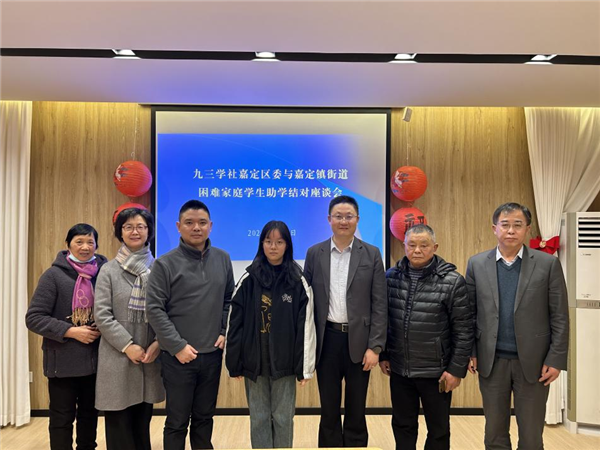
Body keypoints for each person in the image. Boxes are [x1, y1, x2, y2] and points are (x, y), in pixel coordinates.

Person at [466, 202, 569, 450]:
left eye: (517, 225)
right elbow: (468, 314)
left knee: (531, 437)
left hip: (534, 364)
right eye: (505, 225)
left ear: (527, 229)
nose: (511, 230)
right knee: (494, 434)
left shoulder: (547, 264)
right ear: (494, 228)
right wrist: (470, 351)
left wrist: (556, 359)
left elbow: (560, 316)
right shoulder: (477, 264)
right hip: (491, 362)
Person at [146, 200, 234, 450]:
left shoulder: (223, 258)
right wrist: (178, 347)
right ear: (178, 226)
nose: (196, 228)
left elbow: (229, 300)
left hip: (212, 354)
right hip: (178, 358)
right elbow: (154, 309)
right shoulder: (164, 263)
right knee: (177, 422)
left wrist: (223, 331)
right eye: (189, 223)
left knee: (204, 418)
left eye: (202, 223)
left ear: (210, 226)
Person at [380, 224, 473, 450]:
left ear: (435, 247)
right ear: (404, 246)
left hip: (436, 372)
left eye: (424, 245)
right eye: (412, 245)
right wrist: (384, 354)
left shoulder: (452, 281)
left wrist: (456, 370)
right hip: (400, 369)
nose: (417, 250)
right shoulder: (391, 277)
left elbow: (464, 329)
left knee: (438, 430)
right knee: (402, 425)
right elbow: (384, 321)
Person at [304, 195, 387, 447]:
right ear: (329, 219)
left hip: (360, 342)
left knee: (356, 407)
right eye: (338, 216)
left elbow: (380, 304)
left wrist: (375, 347)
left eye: (348, 216)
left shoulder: (371, 253)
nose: (343, 221)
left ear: (357, 219)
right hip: (326, 340)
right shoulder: (314, 253)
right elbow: (306, 301)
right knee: (328, 407)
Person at [225, 220, 317, 449]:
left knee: (283, 418)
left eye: (279, 242)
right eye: (268, 241)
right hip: (254, 363)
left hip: (285, 364)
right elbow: (234, 322)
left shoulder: (297, 281)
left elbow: (306, 326)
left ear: (287, 245)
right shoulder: (248, 279)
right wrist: (234, 362)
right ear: (261, 244)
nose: (273, 247)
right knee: (259, 418)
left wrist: (304, 367)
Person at [26, 223, 107, 450]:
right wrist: (71, 331)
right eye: (79, 242)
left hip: (96, 361)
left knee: (89, 416)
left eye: (90, 242)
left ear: (96, 245)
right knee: (62, 419)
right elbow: (34, 317)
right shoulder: (53, 275)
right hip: (62, 362)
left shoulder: (104, 273)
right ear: (68, 245)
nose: (85, 247)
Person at [93, 208, 165, 450]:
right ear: (120, 232)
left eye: (141, 226)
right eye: (128, 227)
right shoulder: (108, 270)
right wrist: (128, 345)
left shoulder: (159, 268)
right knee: (119, 425)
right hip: (118, 356)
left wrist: (158, 343)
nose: (135, 231)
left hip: (148, 357)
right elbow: (102, 315)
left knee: (142, 424)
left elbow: (169, 311)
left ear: (149, 231)